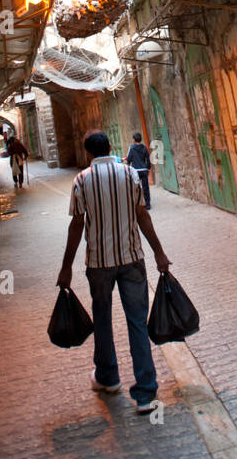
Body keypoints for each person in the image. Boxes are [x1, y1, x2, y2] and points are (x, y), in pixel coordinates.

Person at [57, 130, 170, 414]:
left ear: (88, 153)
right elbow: (142, 215)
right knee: (137, 324)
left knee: (103, 320)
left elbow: (76, 226)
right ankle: (145, 393)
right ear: (110, 147)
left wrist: (66, 267)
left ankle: (109, 376)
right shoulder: (130, 175)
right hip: (132, 259)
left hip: (99, 264)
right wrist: (158, 251)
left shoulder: (81, 180)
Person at [125, 131, 152, 211]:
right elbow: (148, 159)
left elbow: (129, 159)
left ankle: (138, 204)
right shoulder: (144, 147)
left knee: (135, 188)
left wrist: (127, 167)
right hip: (144, 170)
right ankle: (148, 205)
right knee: (145, 187)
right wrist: (148, 168)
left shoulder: (131, 148)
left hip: (135, 170)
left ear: (134, 139)